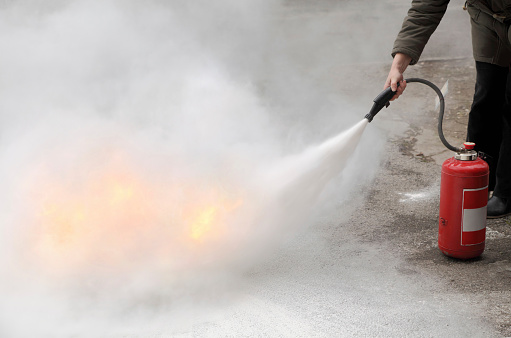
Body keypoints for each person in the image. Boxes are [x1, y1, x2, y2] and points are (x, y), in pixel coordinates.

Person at [385, 0, 511, 218]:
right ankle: (480, 177)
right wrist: (397, 66)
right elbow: (425, 8)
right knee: (486, 95)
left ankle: (506, 191)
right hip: (487, 16)